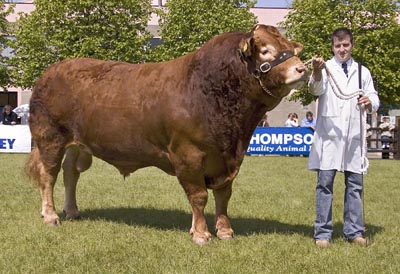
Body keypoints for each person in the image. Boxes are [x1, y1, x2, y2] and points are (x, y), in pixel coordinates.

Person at [308, 28, 380, 248]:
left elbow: (374, 97)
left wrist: (369, 101)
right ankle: (323, 233)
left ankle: (354, 231)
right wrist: (317, 72)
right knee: (325, 184)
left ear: (352, 46)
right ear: (332, 47)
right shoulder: (325, 68)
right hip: (329, 135)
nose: (342, 49)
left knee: (355, 185)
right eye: (338, 46)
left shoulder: (362, 72)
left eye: (346, 45)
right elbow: (315, 89)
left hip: (353, 136)